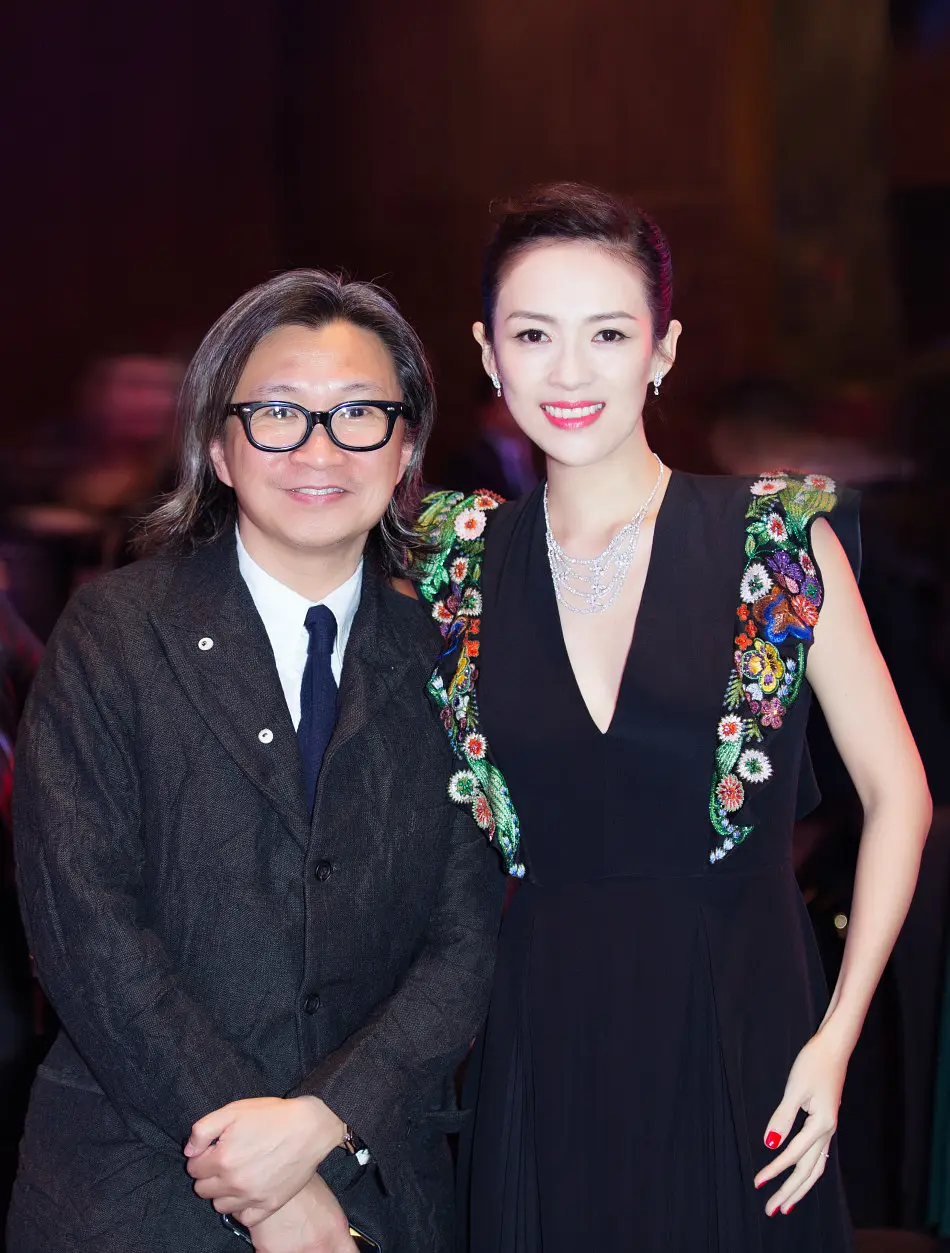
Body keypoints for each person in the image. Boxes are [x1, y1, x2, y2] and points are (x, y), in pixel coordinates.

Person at [414, 183, 931, 1251]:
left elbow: (899, 795)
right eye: (533, 334)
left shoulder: (774, 542)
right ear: (487, 352)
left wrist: (835, 1037)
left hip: (746, 1026)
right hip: (540, 1039)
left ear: (662, 348)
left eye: (607, 333)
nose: (569, 372)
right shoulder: (452, 563)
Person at [8, 270, 503, 1253]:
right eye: (277, 412)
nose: (319, 447)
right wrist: (268, 1187)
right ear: (218, 445)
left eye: (358, 412)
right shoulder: (116, 634)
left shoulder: (446, 658)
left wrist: (325, 1122)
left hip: (375, 1184)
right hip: (137, 1184)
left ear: (405, 445)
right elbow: (85, 925)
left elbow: (467, 937)